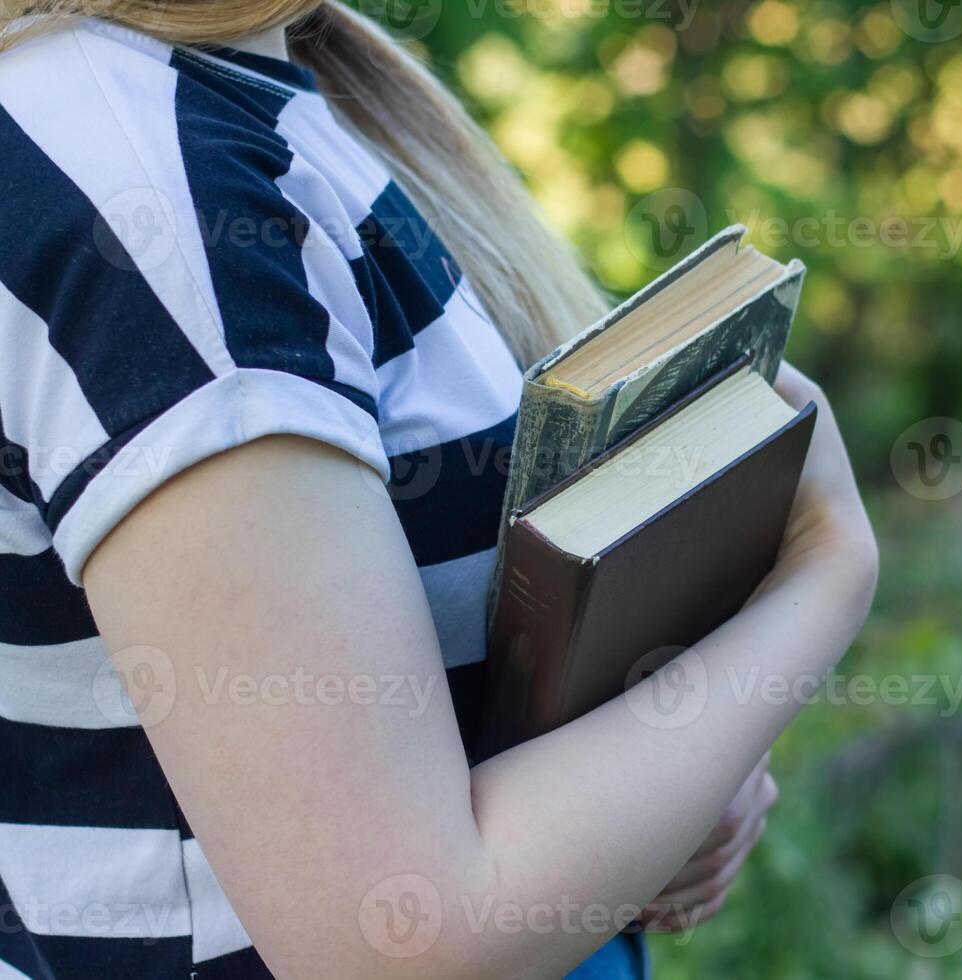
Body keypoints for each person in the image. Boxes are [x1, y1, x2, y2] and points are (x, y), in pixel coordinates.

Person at [0, 2, 878, 978]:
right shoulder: (144, 176)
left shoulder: (266, 85)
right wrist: (827, 560)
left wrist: (676, 756)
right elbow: (398, 939)